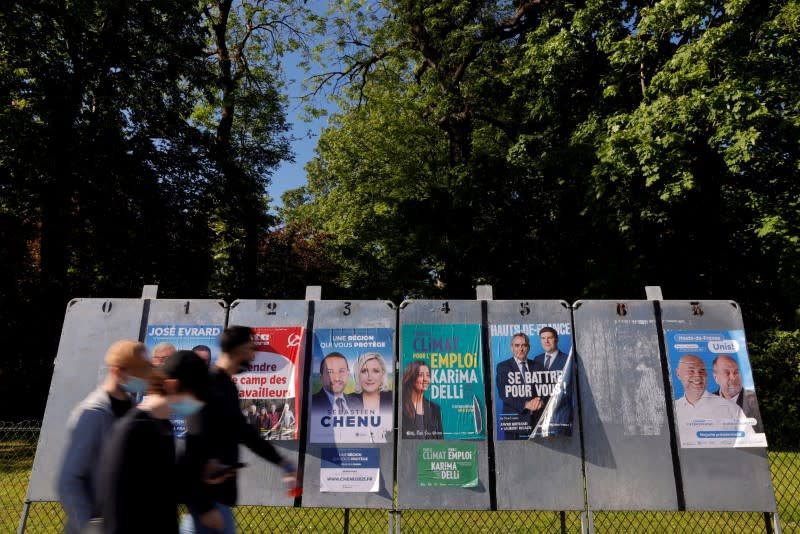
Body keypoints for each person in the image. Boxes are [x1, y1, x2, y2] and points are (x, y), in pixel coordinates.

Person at [181, 326, 297, 534]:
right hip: (208, 504)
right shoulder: (208, 384)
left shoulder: (228, 386)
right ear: (239, 348)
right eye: (251, 348)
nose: (253, 355)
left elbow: (244, 432)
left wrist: (282, 462)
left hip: (220, 501)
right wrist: (204, 506)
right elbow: (194, 444)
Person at [97, 351, 209, 534]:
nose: (201, 403)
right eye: (199, 394)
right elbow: (115, 505)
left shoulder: (163, 427)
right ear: (173, 386)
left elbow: (162, 490)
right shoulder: (133, 429)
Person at [57, 340, 152, 534]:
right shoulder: (92, 414)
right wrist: (88, 526)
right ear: (117, 372)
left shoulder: (133, 410)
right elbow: (70, 479)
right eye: (139, 374)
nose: (144, 379)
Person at [673, 354, 753, 445]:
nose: (697, 376)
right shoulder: (671, 410)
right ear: (678, 373)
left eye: (702, 371)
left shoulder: (731, 408)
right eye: (691, 371)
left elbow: (749, 443)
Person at [495, 333, 537, 439]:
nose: (521, 349)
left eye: (524, 345)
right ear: (512, 348)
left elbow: (543, 390)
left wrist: (540, 401)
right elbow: (504, 394)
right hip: (514, 424)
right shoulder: (503, 367)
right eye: (517, 345)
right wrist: (526, 404)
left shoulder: (537, 366)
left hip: (536, 422)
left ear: (529, 347)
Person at [711, 354, 763, 432]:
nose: (733, 377)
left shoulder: (754, 400)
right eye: (727, 373)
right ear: (716, 378)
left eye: (736, 372)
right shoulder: (707, 402)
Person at [354, 351, 393, 442]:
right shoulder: (347, 400)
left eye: (375, 371)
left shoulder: (393, 398)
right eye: (364, 371)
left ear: (382, 374)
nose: (370, 377)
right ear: (358, 375)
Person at [401, 361, 443, 439]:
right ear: (411, 378)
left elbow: (440, 440)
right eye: (420, 375)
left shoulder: (435, 409)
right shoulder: (401, 407)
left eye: (428, 375)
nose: (426, 379)